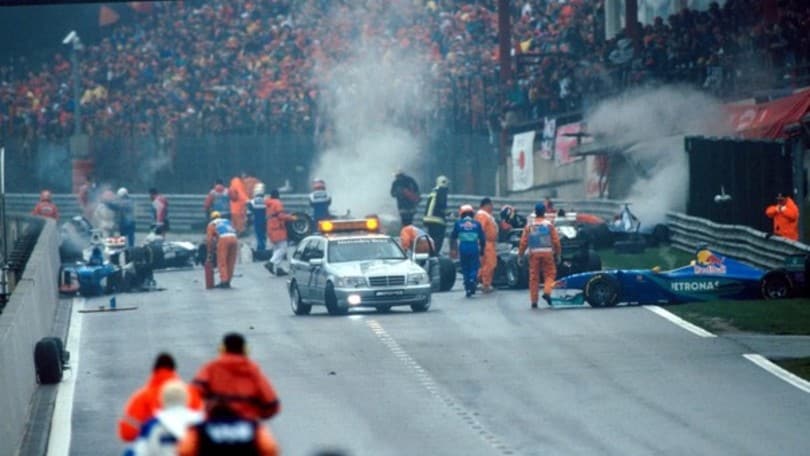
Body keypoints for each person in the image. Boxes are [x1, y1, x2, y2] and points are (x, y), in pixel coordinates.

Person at [190, 333, 281, 421]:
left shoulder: (211, 367)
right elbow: (271, 403)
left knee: (188, 436)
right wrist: (258, 414)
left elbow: (193, 394)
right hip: (246, 423)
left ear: (222, 349)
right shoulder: (252, 370)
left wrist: (205, 412)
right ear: (245, 350)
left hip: (216, 423)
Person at [118, 353, 203, 442]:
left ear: (154, 370)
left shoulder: (141, 397)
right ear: (174, 370)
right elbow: (204, 426)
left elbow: (126, 433)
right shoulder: (191, 394)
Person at [125, 380, 203, 456]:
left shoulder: (152, 426)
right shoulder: (202, 422)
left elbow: (139, 452)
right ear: (187, 399)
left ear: (162, 400)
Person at [176, 402, 279, 456]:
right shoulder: (252, 426)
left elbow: (184, 451)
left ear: (209, 413)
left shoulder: (199, 429)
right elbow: (270, 448)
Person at [518, 203, 561, 309]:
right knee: (550, 274)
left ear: (535, 212)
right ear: (544, 212)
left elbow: (523, 241)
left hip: (534, 254)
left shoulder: (530, 225)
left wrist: (520, 255)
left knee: (534, 278)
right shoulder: (549, 225)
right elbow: (556, 241)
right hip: (547, 253)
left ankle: (534, 301)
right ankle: (547, 291)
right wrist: (558, 253)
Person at [449, 205, 486, 298]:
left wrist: (453, 249)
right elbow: (482, 238)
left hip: (463, 246)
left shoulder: (458, 223)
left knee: (465, 266)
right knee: (474, 266)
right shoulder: (477, 224)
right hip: (473, 246)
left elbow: (453, 237)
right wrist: (482, 249)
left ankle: (467, 285)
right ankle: (472, 279)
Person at [265, 189, 295, 276]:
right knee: (283, 248)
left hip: (270, 227)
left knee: (277, 248)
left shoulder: (269, 204)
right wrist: (291, 217)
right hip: (277, 227)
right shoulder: (277, 203)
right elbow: (280, 215)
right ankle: (271, 263)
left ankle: (278, 269)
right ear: (278, 195)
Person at [206, 211, 239, 289]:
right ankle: (228, 281)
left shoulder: (211, 224)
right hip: (234, 238)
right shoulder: (227, 221)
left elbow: (210, 240)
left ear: (211, 218)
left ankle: (224, 281)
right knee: (231, 261)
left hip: (224, 239)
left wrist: (210, 251)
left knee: (222, 261)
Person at [474, 197, 499, 293]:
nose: (492, 207)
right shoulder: (482, 215)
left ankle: (479, 280)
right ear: (486, 205)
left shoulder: (486, 215)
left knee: (486, 264)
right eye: (491, 205)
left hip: (488, 243)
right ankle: (486, 284)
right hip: (486, 243)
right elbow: (481, 229)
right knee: (490, 263)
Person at [423, 175, 449, 253]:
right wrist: (449, 213)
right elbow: (441, 206)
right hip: (437, 220)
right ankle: (435, 254)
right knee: (438, 239)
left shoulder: (433, 191)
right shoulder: (442, 191)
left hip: (428, 219)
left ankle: (431, 253)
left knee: (431, 239)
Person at [249, 183, 268, 252]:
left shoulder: (252, 201)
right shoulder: (266, 200)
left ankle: (260, 247)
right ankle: (263, 246)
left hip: (256, 220)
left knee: (258, 235)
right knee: (263, 235)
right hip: (264, 220)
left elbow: (249, 212)